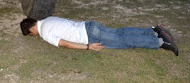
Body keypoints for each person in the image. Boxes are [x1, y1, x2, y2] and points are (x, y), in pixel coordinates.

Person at [20, 16, 178, 56]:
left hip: (89, 36)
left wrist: (88, 47)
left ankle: (160, 41)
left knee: (124, 41)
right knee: (120, 32)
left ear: (31, 30)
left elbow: (65, 44)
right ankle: (154, 30)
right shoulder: (48, 19)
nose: (33, 36)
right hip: (89, 25)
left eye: (31, 35)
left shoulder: (45, 33)